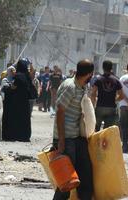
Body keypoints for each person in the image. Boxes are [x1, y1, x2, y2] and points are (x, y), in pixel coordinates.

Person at [52, 59, 94, 200]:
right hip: (66, 138)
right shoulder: (70, 86)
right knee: (66, 181)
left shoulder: (81, 87)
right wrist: (61, 140)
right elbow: (60, 111)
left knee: (85, 176)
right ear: (89, 74)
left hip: (77, 137)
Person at [2, 58, 33, 142]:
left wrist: (7, 88)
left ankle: (14, 135)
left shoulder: (19, 76)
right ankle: (24, 136)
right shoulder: (27, 76)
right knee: (24, 119)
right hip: (25, 102)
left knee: (15, 119)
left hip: (16, 101)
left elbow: (14, 87)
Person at [91, 60, 124, 131]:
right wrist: (115, 100)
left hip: (100, 106)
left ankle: (97, 141)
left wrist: (93, 105)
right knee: (107, 131)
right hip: (111, 107)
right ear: (111, 68)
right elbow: (122, 95)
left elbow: (93, 93)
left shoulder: (98, 80)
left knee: (96, 129)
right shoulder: (116, 80)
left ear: (103, 68)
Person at [1, 66, 16, 140]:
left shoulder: (15, 80)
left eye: (14, 70)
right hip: (6, 101)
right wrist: (11, 86)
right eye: (11, 71)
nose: (13, 72)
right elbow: (5, 87)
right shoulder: (5, 79)